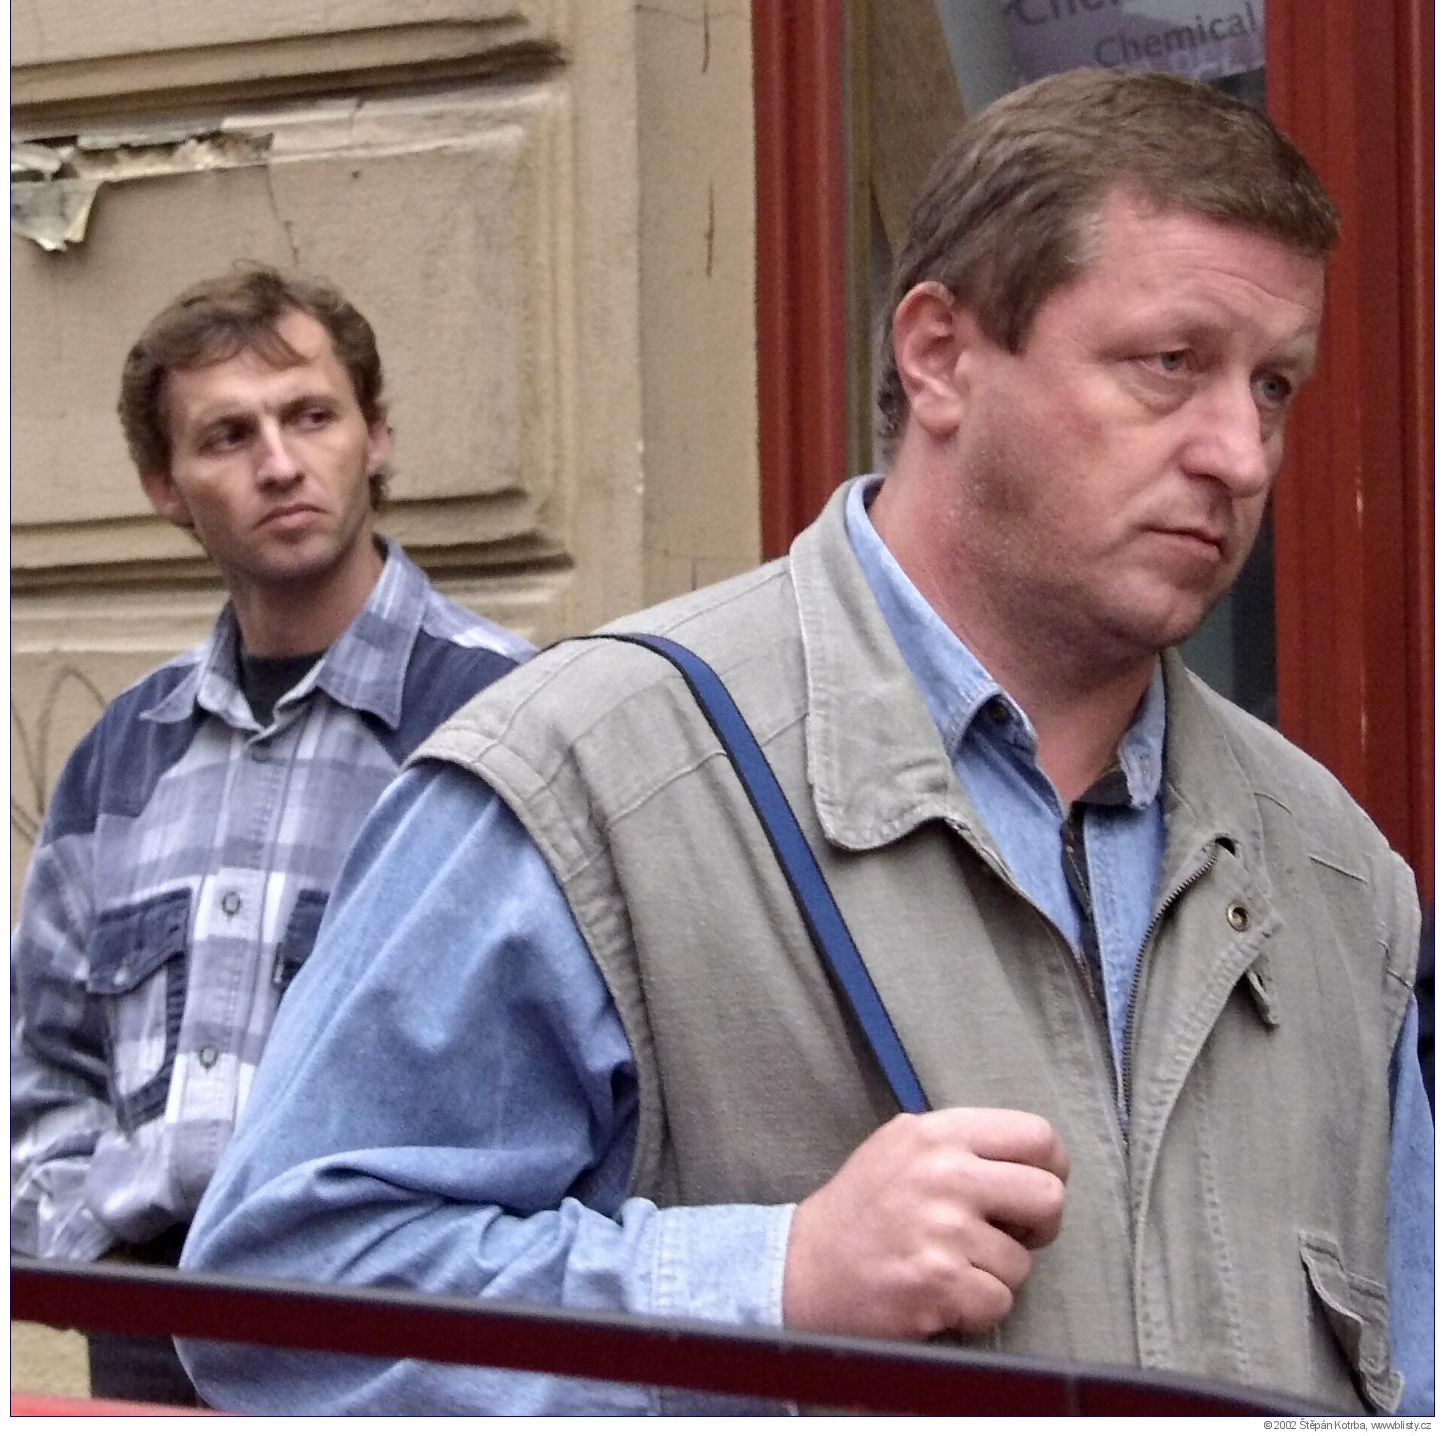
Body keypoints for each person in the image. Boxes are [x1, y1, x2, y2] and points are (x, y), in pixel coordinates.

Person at [179, 71, 1432, 1416]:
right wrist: (766, 1281)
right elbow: (279, 1305)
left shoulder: (1334, 875)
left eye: (1273, 385)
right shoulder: (593, 776)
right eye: (1168, 364)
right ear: (939, 355)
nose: (1239, 453)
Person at [9, 265, 532, 1405]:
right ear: (165, 485)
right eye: (228, 436)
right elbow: (42, 1064)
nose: (280, 463)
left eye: (312, 416)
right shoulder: (123, 755)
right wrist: (95, 1257)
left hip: (404, 1344)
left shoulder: (516, 718)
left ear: (376, 437)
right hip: (145, 1348)